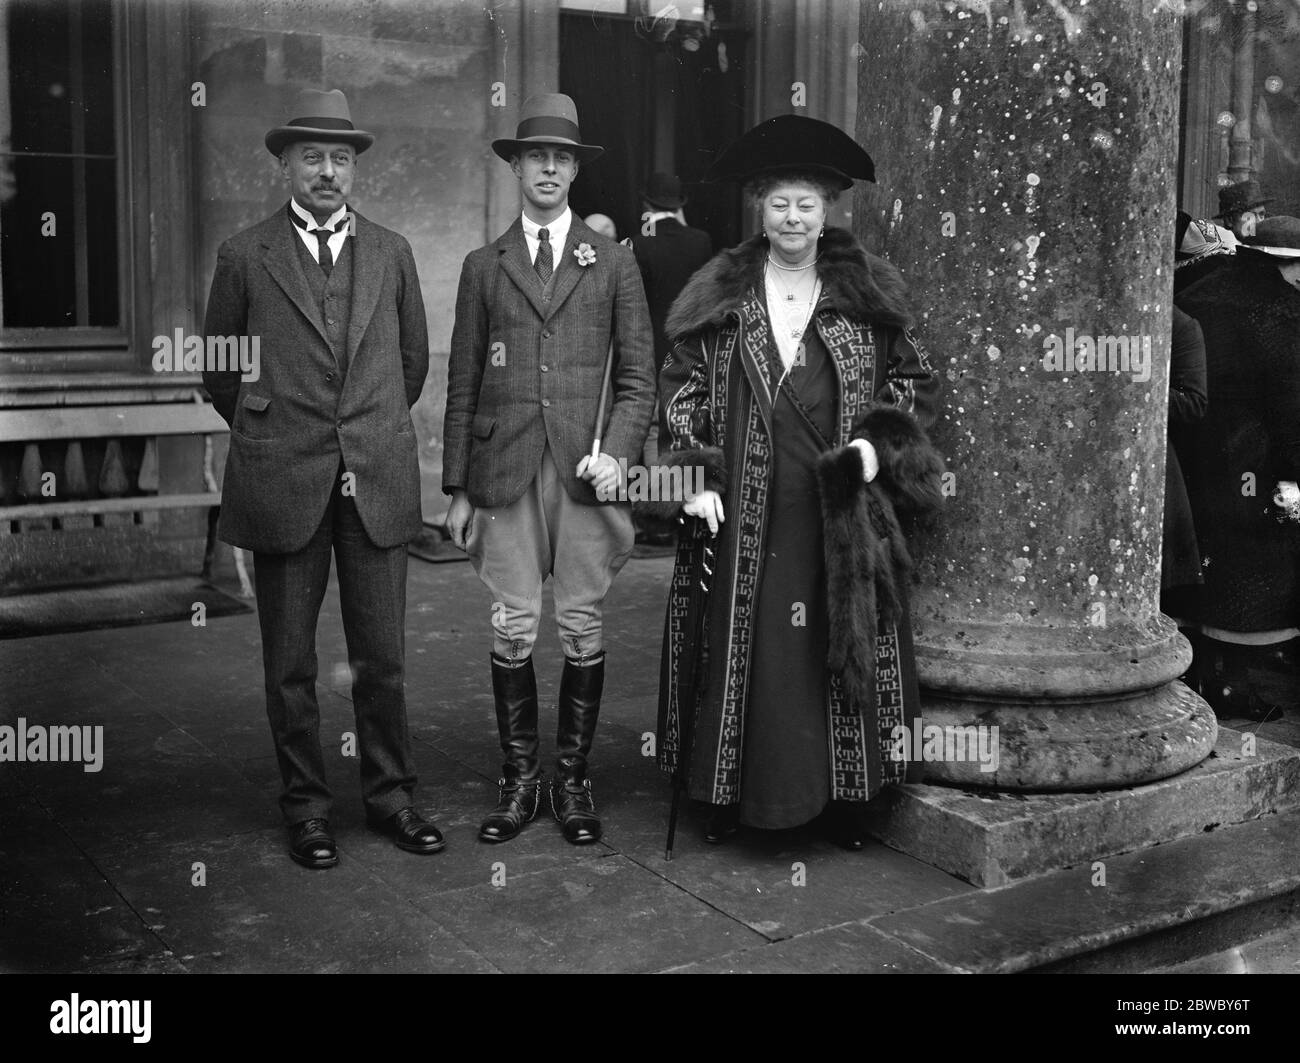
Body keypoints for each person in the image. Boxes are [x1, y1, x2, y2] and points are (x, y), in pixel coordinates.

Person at [650, 115, 943, 848]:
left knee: (833, 642)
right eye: (779, 203)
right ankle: (731, 794)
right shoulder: (719, 296)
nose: (792, 218)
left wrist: (877, 451)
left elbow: (916, 381)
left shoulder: (866, 294)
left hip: (835, 511)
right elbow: (680, 390)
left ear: (826, 211)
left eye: (805, 204)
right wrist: (694, 471)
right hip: (745, 509)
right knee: (748, 648)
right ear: (759, 207)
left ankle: (844, 798)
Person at [202, 89, 441, 869]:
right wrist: (274, 420)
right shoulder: (246, 254)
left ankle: (392, 796)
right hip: (283, 476)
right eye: (312, 157)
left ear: (355, 167)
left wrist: (363, 428)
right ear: (284, 164)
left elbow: (410, 366)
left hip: (374, 473)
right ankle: (306, 807)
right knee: (290, 662)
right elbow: (221, 371)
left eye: (340, 158)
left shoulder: (392, 250)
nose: (327, 171)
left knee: (383, 656)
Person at [443, 93, 655, 845]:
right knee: (510, 625)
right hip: (504, 470)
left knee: (580, 622)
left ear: (575, 171)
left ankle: (571, 780)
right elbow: (463, 380)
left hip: (583, 473)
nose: (549, 168)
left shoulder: (615, 265)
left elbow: (637, 380)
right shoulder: (483, 265)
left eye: (562, 157)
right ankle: (519, 779)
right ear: (516, 165)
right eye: (537, 155)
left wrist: (620, 455)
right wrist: (458, 485)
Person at [1176, 215, 1300, 721]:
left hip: (1193, 452)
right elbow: (1291, 403)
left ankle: (1201, 674)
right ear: (1287, 265)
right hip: (1255, 456)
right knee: (1252, 572)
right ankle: (1232, 685)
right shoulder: (1281, 311)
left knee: (1203, 564)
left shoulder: (1196, 291)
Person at [630, 173, 715, 549]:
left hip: (650, 346)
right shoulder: (700, 241)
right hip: (691, 347)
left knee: (651, 428)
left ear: (647, 205)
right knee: (686, 423)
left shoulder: (639, 241)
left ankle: (658, 518)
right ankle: (684, 508)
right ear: (680, 205)